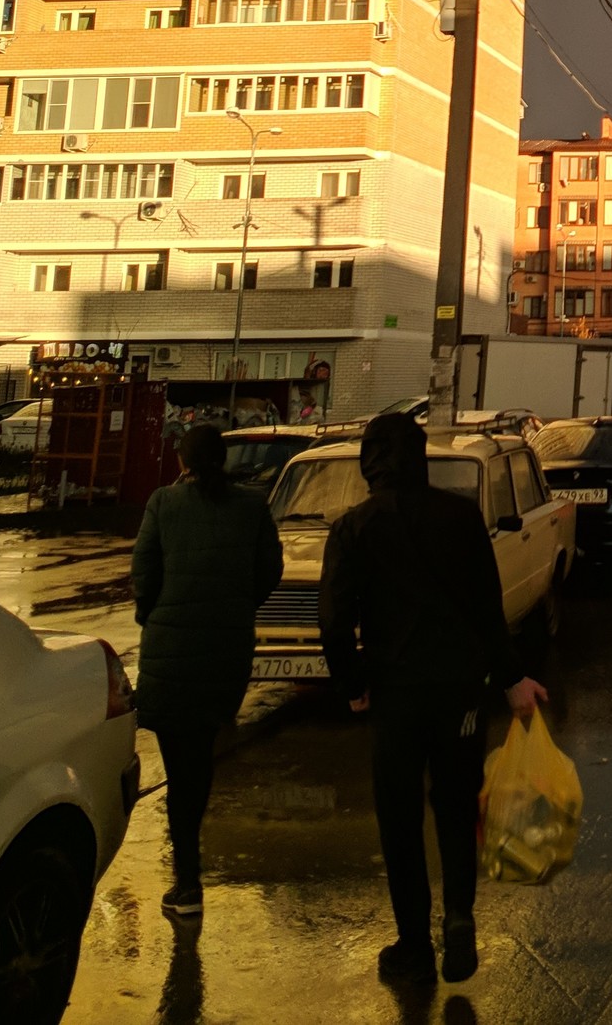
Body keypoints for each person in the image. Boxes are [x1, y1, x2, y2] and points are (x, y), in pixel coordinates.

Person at [319, 411, 548, 988]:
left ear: (369, 462)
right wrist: (512, 678)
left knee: (398, 821)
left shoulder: (354, 528)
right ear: (422, 457)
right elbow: (487, 609)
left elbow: (332, 620)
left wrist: (352, 684)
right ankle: (460, 917)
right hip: (460, 695)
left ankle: (414, 946)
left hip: (394, 697)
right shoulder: (461, 518)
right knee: (454, 806)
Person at [131, 423, 283, 917]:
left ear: (183, 461)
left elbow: (143, 574)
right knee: (201, 759)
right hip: (226, 652)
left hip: (171, 650)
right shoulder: (251, 507)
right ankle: (190, 879)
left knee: (180, 771)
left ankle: (188, 883)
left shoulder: (163, 504)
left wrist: (153, 614)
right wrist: (239, 608)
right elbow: (270, 570)